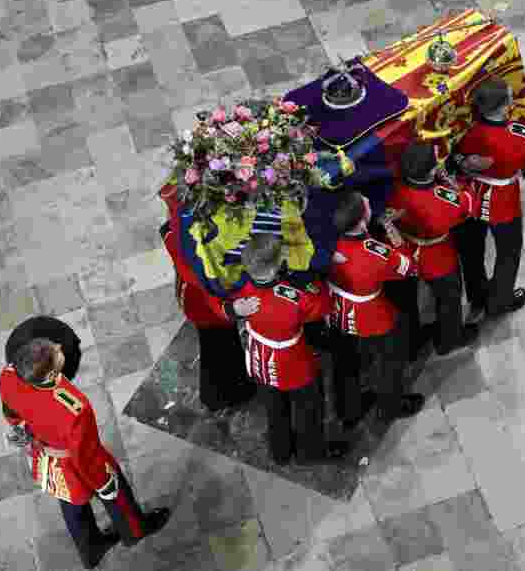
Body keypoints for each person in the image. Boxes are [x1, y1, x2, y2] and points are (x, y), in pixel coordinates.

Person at [0, 339, 171, 569]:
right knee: (116, 491)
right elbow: (86, 456)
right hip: (74, 460)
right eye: (55, 352)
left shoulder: (8, 377)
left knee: (71, 503)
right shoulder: (74, 409)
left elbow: (11, 411)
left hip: (47, 458)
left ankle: (91, 549)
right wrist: (104, 484)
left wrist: (24, 428)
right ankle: (134, 531)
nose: (59, 347)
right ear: (50, 375)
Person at [228, 233, 349, 465]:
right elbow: (322, 306)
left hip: (259, 355)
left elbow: (226, 303)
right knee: (308, 408)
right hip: (293, 361)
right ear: (275, 266)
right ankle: (310, 452)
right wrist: (309, 283)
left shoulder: (240, 285)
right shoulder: (295, 296)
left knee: (274, 406)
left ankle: (280, 451)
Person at [327, 191, 426, 429]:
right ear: (362, 220)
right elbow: (409, 267)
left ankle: (349, 409)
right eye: (367, 204)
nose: (371, 203)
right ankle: (391, 405)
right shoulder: (374, 252)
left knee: (347, 363)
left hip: (338, 311)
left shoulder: (328, 244)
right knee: (388, 362)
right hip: (371, 315)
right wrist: (394, 234)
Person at [453, 77, 525, 328]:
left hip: (472, 197)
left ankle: (478, 298)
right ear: (506, 107)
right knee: (508, 251)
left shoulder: (468, 132)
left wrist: (464, 161)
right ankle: (501, 299)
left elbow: (454, 153)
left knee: (472, 252)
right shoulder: (517, 135)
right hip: (503, 201)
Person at [384, 141, 481, 358]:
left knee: (408, 304)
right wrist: (447, 177)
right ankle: (450, 339)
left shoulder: (395, 189)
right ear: (430, 170)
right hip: (437, 254)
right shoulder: (440, 199)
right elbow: (468, 202)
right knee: (449, 297)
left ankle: (414, 343)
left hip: (406, 247)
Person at [160, 221, 259, 412]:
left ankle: (221, 391)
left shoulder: (178, 237)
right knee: (222, 349)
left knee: (214, 348)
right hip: (210, 307)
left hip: (195, 302)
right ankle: (227, 392)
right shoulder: (205, 255)